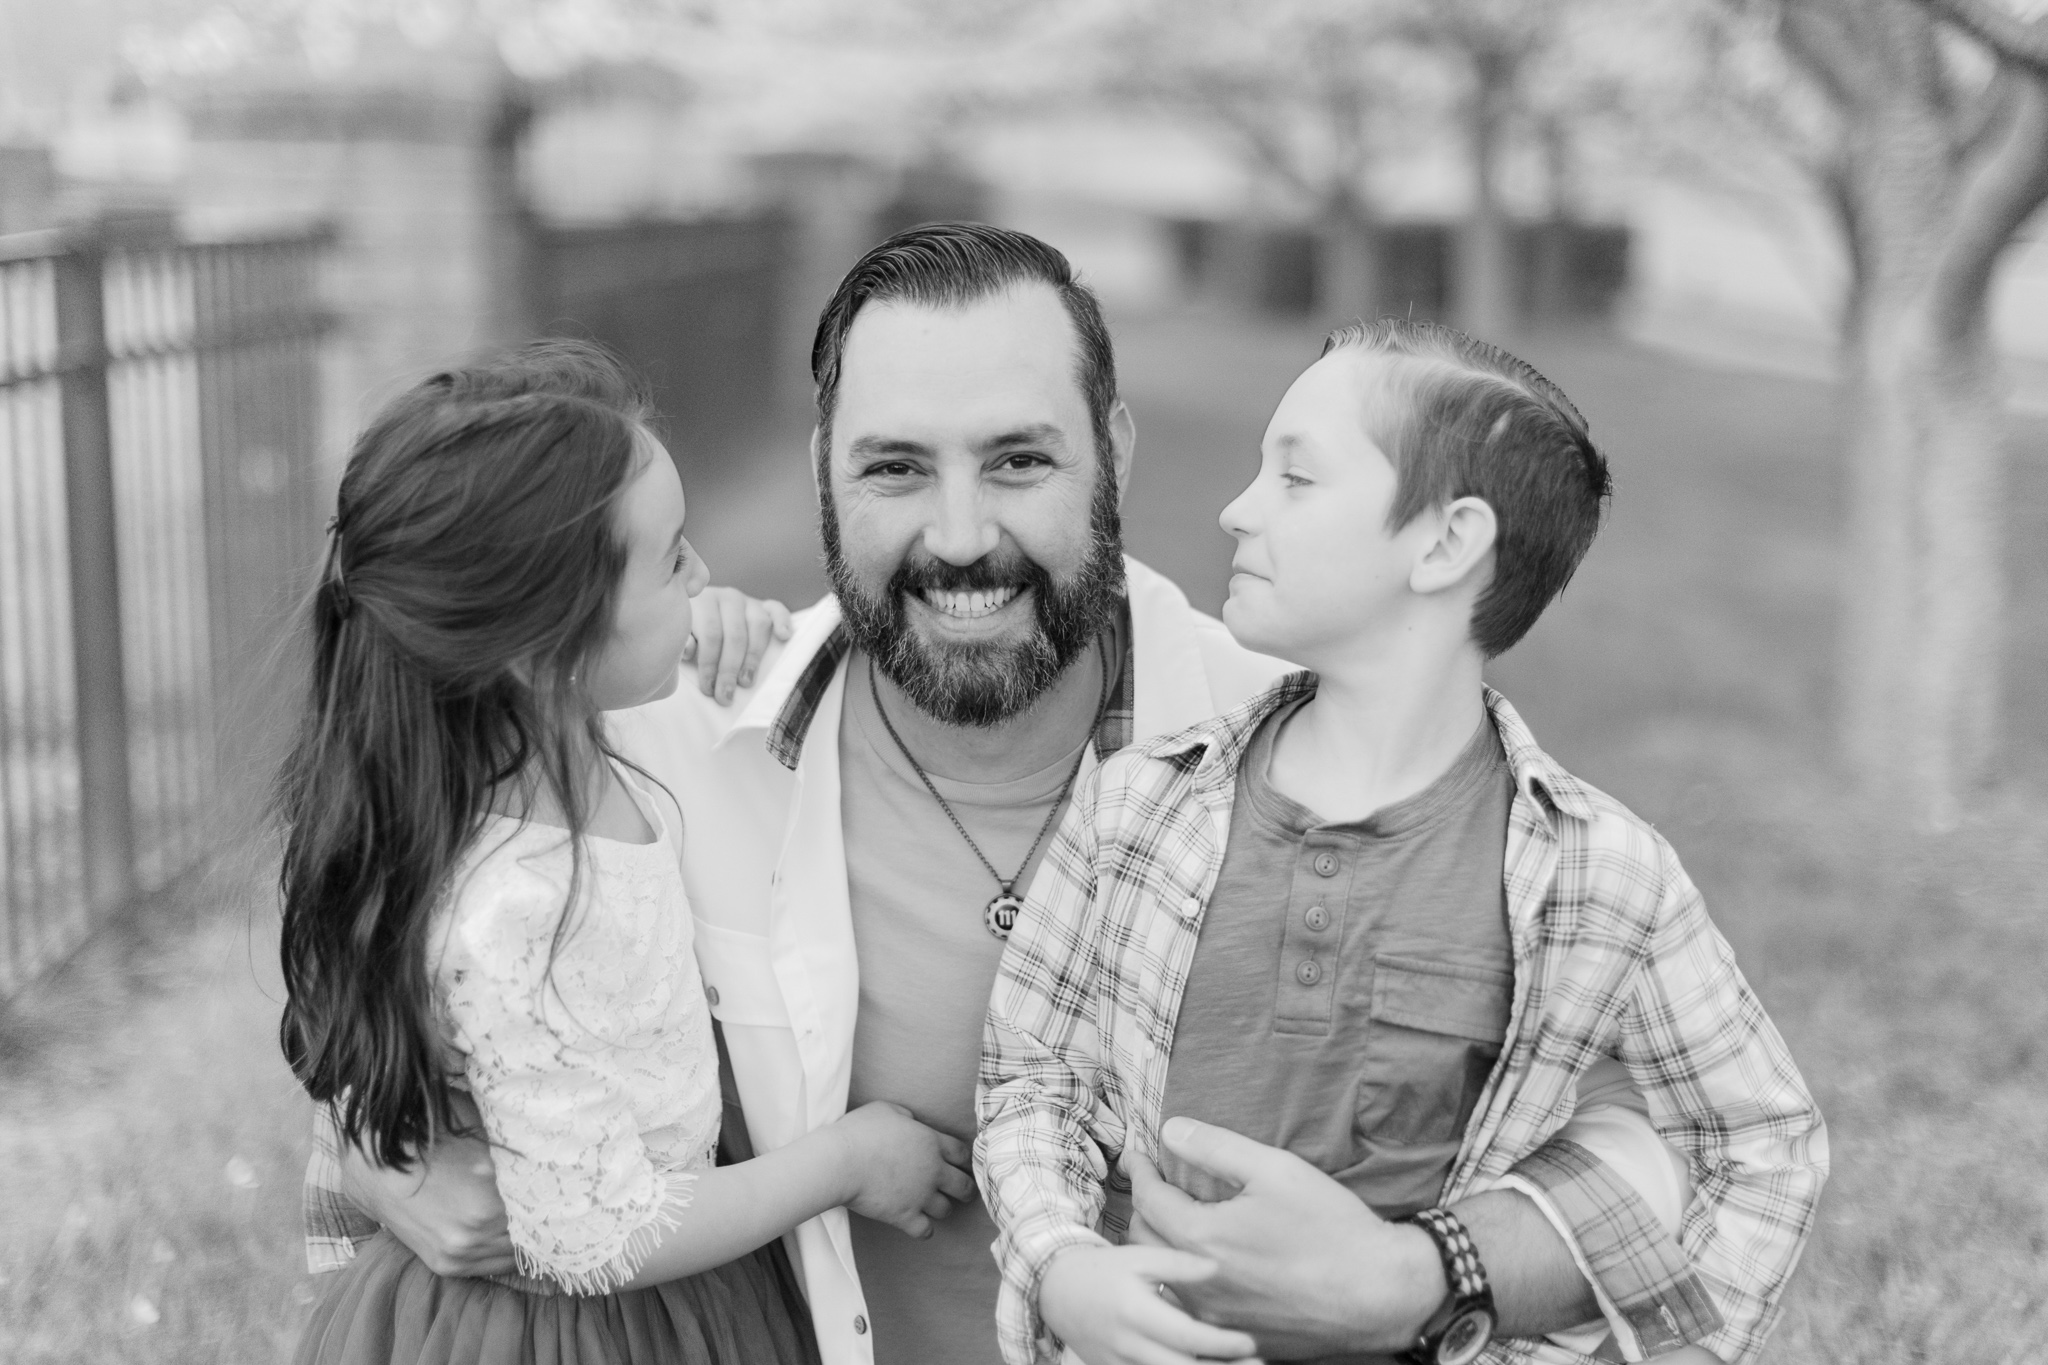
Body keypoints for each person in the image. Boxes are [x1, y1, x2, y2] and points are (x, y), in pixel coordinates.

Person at [321, 226, 1732, 1365]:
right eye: (893, 468)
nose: (959, 538)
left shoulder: (1334, 750)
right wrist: (378, 1169)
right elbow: (422, 972)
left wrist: (1419, 1274)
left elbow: (1670, 1150)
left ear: (1112, 450)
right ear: (823, 469)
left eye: (1018, 459)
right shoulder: (676, 748)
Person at [977, 319, 1829, 1365]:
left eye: (1294, 479)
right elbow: (1033, 1076)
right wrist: (1062, 1265)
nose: (1235, 509)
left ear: (1442, 543)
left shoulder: (1600, 875)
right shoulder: (1135, 808)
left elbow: (1756, 1143)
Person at [277, 341, 970, 1365]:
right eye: (671, 558)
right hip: (579, 1328)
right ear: (540, 642)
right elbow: (598, 1235)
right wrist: (847, 1160)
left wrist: (702, 622)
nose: (702, 572)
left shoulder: (543, 736)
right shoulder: (517, 902)